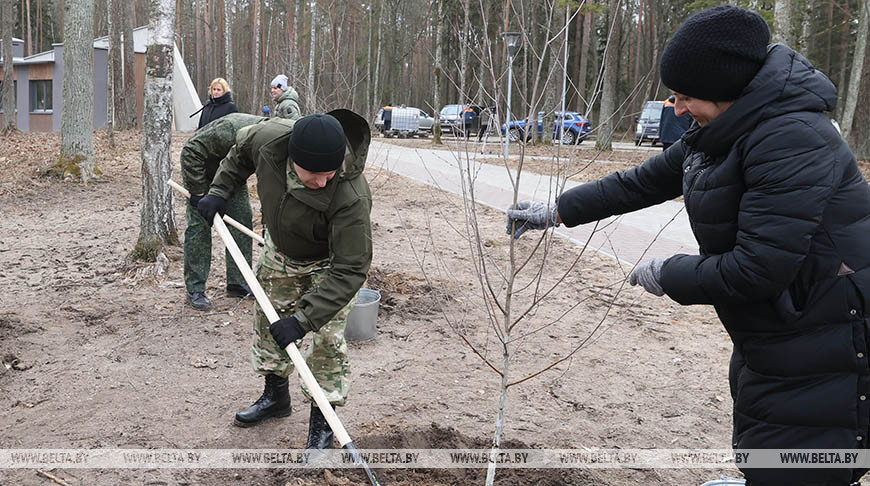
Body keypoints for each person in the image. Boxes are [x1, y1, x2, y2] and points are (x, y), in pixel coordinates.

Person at [506, 6, 870, 485]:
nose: (676, 109)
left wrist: (669, 272)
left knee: (803, 447)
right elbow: (642, 182)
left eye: (685, 97)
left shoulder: (791, 139)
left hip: (825, 325)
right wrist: (558, 210)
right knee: (769, 433)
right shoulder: (721, 131)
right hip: (779, 323)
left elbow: (757, 269)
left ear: (727, 93)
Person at [197, 110, 372, 450]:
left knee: (327, 342)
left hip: (330, 266)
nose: (323, 182)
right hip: (280, 251)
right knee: (269, 325)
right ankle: (276, 398)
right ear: (293, 159)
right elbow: (238, 154)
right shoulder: (268, 140)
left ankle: (322, 425)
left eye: (329, 173)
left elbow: (351, 268)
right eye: (315, 175)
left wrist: (304, 319)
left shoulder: (351, 193)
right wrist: (219, 190)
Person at [181, 113, 267, 309]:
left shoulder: (272, 146)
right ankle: (195, 289)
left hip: (231, 176)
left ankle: (237, 282)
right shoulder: (229, 129)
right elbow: (190, 150)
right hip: (202, 172)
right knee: (200, 227)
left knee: (242, 219)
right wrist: (198, 192)